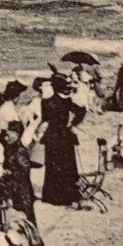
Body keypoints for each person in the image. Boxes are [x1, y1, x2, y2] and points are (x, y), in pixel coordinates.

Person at [37, 74, 87, 207]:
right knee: (68, 167)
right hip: (64, 137)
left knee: (52, 167)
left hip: (51, 137)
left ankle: (52, 197)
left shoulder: (46, 102)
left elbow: (44, 118)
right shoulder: (67, 101)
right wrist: (73, 123)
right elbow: (82, 111)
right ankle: (68, 197)